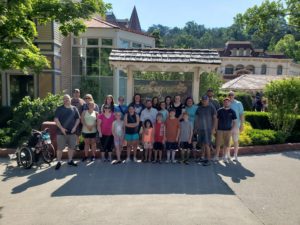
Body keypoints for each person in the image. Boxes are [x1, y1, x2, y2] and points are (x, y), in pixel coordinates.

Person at [54, 94, 80, 170]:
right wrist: (62, 128)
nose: (66, 100)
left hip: (72, 132)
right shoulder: (59, 108)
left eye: (67, 98)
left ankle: (70, 160)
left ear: (70, 99)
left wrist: (75, 127)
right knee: (60, 148)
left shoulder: (74, 108)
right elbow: (56, 119)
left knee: (71, 147)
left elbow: (78, 119)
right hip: (61, 133)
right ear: (63, 100)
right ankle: (58, 162)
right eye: (64, 99)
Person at [194, 95, 217, 166]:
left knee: (207, 144)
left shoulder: (211, 107)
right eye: (203, 100)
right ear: (201, 100)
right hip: (200, 129)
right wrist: (196, 128)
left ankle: (208, 160)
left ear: (208, 100)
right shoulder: (199, 108)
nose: (204, 101)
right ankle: (202, 157)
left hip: (208, 129)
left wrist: (213, 128)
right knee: (202, 144)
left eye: (206, 100)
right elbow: (197, 119)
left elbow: (215, 118)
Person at [214, 97, 237, 163]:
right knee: (218, 144)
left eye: (228, 102)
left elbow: (235, 121)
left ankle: (224, 157)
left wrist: (232, 129)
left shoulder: (232, 111)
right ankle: (216, 156)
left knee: (226, 145)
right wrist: (216, 128)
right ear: (223, 103)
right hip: (220, 130)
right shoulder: (219, 110)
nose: (226, 103)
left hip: (228, 130)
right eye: (225, 102)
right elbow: (216, 120)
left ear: (230, 103)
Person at [228, 91, 244, 162]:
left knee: (235, 141)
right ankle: (227, 155)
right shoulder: (226, 102)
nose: (231, 96)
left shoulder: (239, 103)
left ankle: (235, 155)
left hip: (236, 125)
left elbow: (241, 114)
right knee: (227, 141)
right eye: (229, 95)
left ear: (234, 95)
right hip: (227, 126)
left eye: (232, 95)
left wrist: (242, 125)